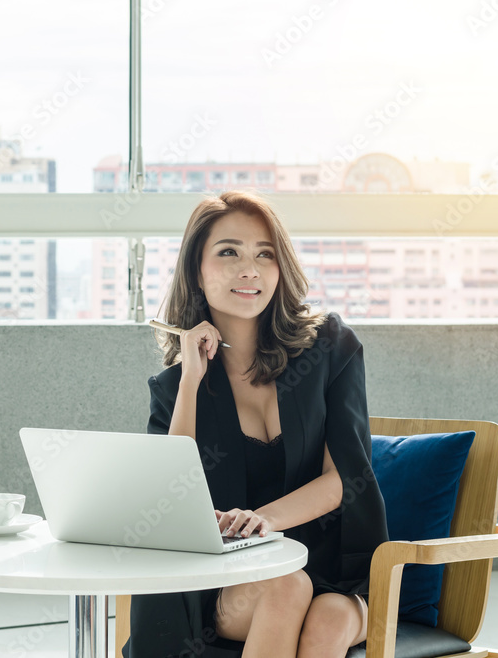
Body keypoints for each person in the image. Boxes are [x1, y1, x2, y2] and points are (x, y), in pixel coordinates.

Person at [123, 190, 390, 658]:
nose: (250, 269)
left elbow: (342, 480)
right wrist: (190, 380)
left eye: (264, 255)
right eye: (229, 252)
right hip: (233, 580)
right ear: (196, 271)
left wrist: (263, 519)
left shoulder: (330, 348)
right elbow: (172, 497)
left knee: (325, 625)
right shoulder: (174, 387)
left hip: (337, 569)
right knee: (284, 587)